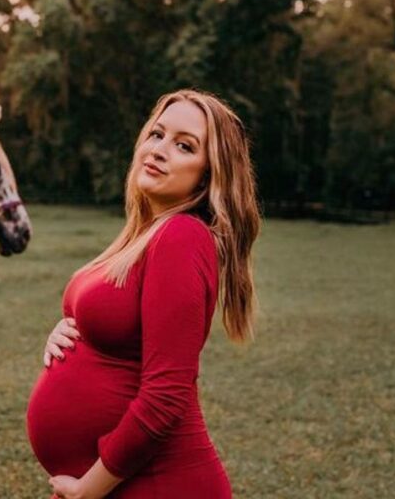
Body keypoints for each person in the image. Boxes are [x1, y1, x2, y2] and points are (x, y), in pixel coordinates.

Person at [26, 89, 261, 498]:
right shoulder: (144, 233)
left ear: (208, 174)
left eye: (184, 145)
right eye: (157, 135)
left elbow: (166, 395)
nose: (160, 150)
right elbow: (119, 328)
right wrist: (69, 334)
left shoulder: (182, 236)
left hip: (160, 484)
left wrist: (89, 488)